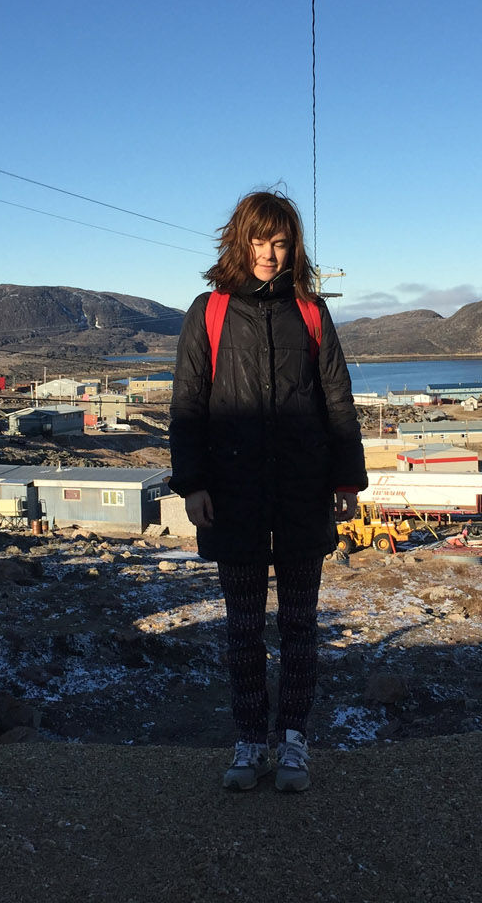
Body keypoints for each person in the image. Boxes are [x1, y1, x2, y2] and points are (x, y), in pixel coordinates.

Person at [169, 190, 366, 792]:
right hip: (233, 496)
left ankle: (294, 742)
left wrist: (346, 479)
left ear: (293, 247)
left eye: (281, 242)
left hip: (304, 492)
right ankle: (250, 740)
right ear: (240, 240)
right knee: (243, 628)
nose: (270, 253)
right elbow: (188, 407)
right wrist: (193, 484)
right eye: (260, 240)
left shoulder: (311, 311)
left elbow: (337, 399)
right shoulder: (209, 311)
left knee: (301, 627)